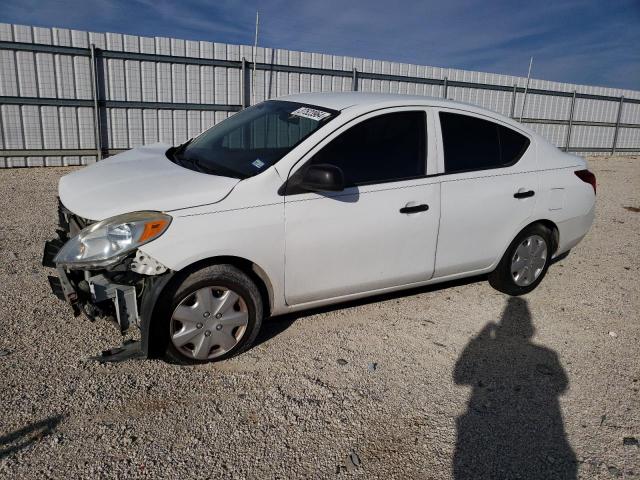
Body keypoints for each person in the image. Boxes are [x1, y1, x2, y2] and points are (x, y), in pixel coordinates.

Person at [453, 297, 577, 479]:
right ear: (531, 330)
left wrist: (483, 336)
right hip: (538, 429)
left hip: (484, 431)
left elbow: (459, 377)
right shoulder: (548, 354)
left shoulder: (546, 354)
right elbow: (562, 386)